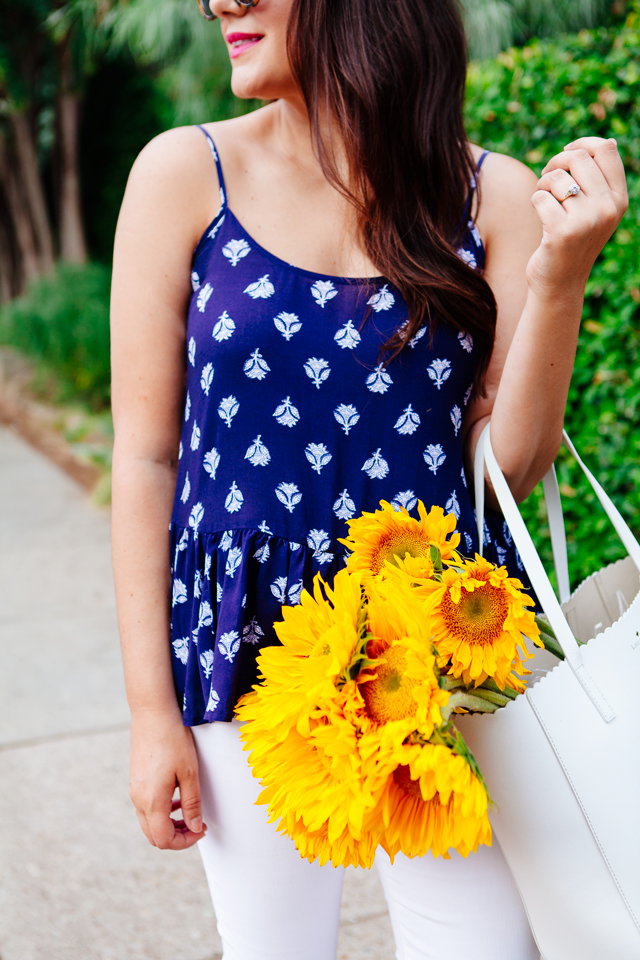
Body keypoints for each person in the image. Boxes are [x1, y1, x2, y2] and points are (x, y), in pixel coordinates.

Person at [110, 0, 627, 957]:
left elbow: (507, 465)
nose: (220, 0)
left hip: (439, 668)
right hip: (247, 645)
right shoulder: (184, 174)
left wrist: (561, 276)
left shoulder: (489, 196)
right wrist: (152, 715)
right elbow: (146, 461)